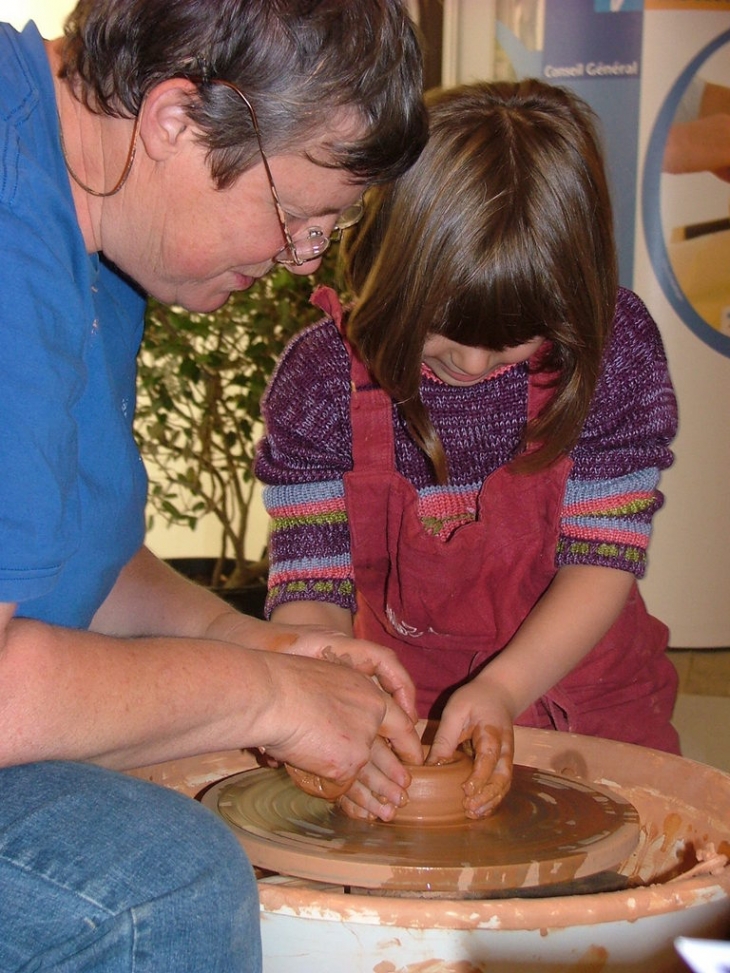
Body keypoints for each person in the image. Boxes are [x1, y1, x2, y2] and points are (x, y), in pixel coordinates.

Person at [0, 2, 427, 970]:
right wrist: (264, 693)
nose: (301, 258)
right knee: (160, 879)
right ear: (176, 121)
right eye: (295, 215)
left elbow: (64, 556)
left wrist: (240, 636)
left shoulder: (95, 223)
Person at [256, 79, 681, 826]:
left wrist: (505, 686)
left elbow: (602, 560)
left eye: (514, 338)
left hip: (586, 689)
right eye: (446, 332)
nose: (477, 363)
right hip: (402, 702)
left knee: (631, 874)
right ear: (385, 263)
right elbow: (311, 581)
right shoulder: (320, 381)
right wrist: (334, 707)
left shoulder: (613, 354)